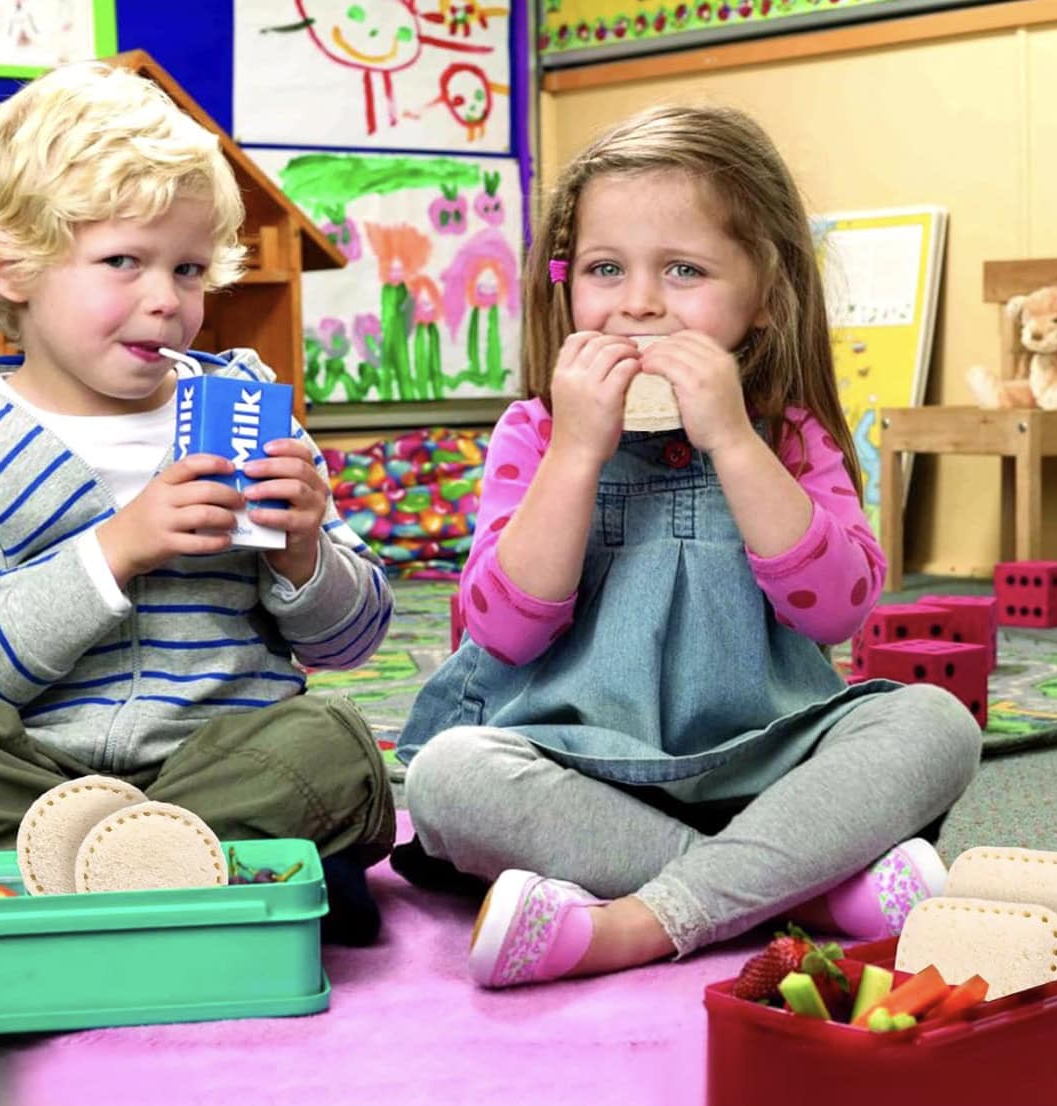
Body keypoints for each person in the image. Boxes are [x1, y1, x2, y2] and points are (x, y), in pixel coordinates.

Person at [0, 62, 395, 988]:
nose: (168, 298)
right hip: (40, 786)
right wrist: (115, 550)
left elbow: (355, 641)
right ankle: (241, 898)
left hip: (225, 769)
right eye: (125, 262)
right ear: (9, 266)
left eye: (188, 269)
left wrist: (308, 553)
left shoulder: (245, 406)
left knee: (336, 746)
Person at [393, 104, 982, 989]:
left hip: (767, 764)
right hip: (578, 771)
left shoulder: (788, 437)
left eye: (683, 269)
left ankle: (638, 921)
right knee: (446, 776)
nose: (638, 302)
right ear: (565, 285)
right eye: (604, 269)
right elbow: (504, 633)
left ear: (764, 294)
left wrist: (737, 443)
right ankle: (800, 893)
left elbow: (840, 608)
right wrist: (576, 454)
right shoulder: (533, 433)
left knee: (933, 722)